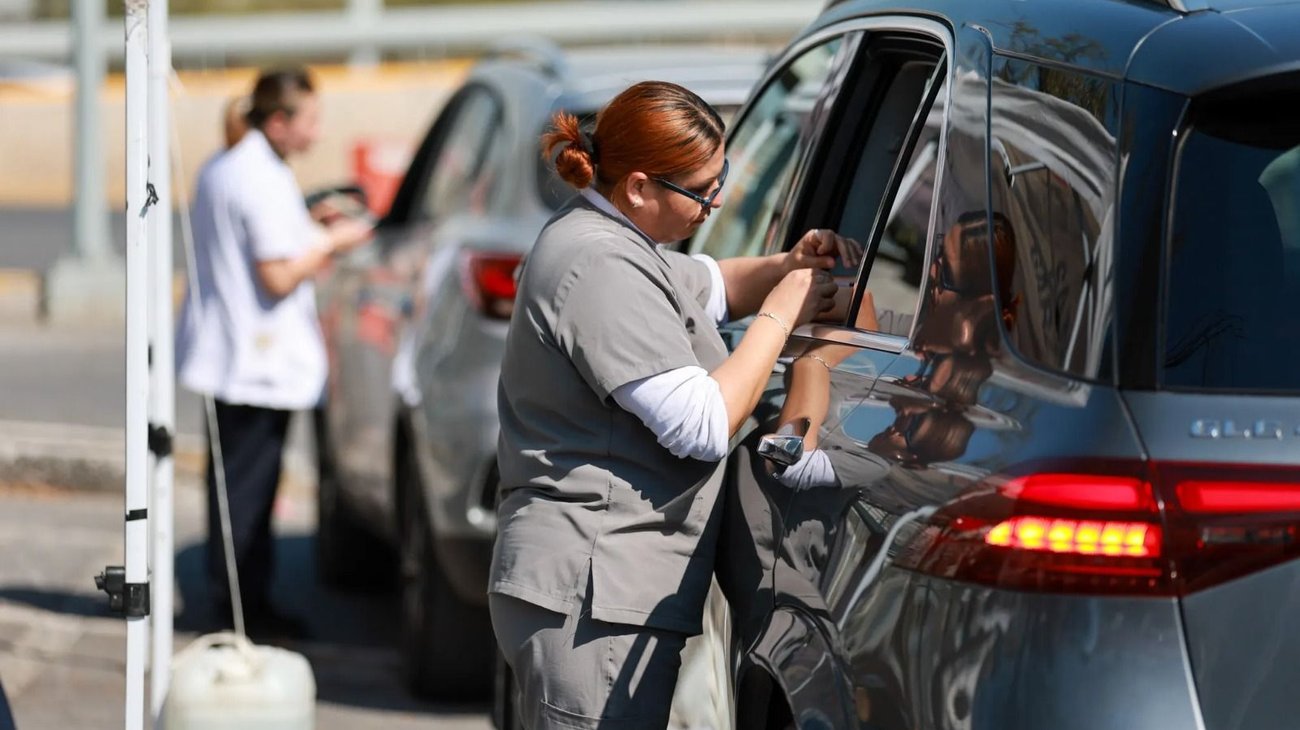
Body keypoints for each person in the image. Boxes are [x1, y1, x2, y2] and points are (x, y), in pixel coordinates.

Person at [490, 80, 859, 729]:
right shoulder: (599, 264)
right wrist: (783, 313)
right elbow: (704, 422)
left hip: (605, 591)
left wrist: (786, 266)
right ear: (638, 187)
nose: (715, 203)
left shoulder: (617, 241)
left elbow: (710, 285)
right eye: (703, 190)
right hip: (591, 600)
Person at [176, 68, 372, 638]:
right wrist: (334, 241)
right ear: (280, 121)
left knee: (235, 492)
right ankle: (242, 616)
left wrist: (306, 224)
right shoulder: (258, 176)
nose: (316, 133)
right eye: (310, 121)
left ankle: (240, 605)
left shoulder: (228, 166)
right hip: (254, 364)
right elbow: (279, 275)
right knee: (247, 499)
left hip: (232, 358)